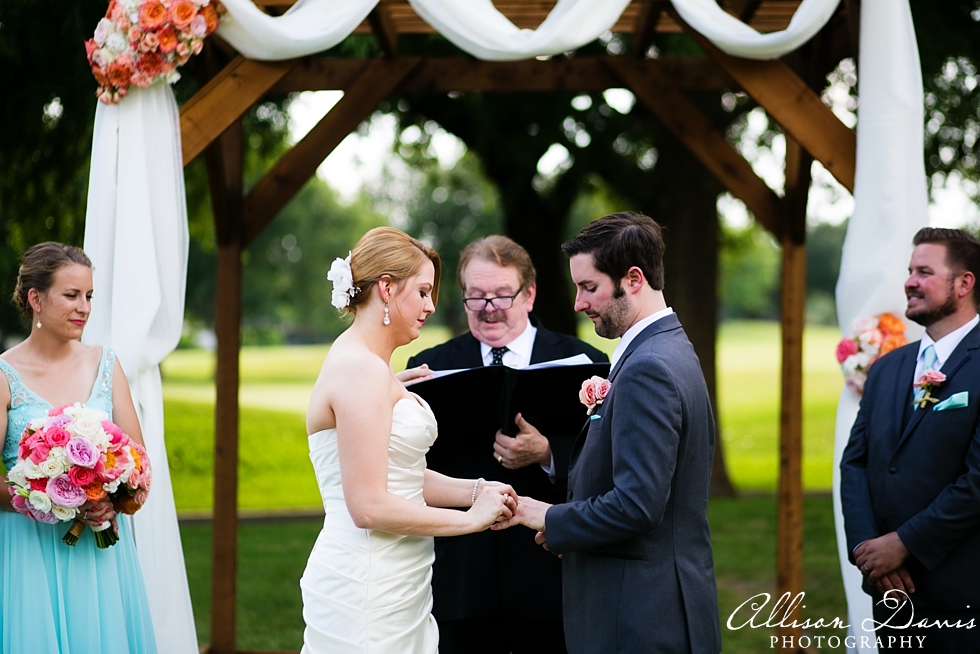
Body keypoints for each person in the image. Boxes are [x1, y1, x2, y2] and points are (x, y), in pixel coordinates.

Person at [494, 212, 722, 653]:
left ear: (633, 279)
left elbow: (637, 504)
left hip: (640, 616)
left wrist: (548, 516)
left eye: (589, 287)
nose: (579, 303)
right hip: (653, 602)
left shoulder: (649, 367)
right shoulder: (669, 347)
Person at [300, 227, 517, 654]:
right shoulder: (361, 370)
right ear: (386, 289)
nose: (430, 306)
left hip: (398, 578)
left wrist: (475, 490)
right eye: (421, 292)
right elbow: (368, 506)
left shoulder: (369, 368)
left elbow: (401, 475)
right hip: (367, 582)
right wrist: (472, 520)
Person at [404, 235, 606, 654]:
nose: (489, 308)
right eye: (475, 298)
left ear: (529, 294)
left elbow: (603, 457)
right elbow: (410, 463)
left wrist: (549, 452)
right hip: (461, 571)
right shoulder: (430, 366)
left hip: (547, 569)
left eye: (501, 295)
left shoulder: (581, 361)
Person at [0, 242, 157, 653]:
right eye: (71, 295)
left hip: (98, 553)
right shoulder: (4, 375)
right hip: (28, 552)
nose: (84, 307)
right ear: (36, 298)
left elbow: (137, 465)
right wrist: (47, 498)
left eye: (89, 296)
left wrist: (114, 500)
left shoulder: (106, 364)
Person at [840, 227, 980, 651]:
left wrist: (904, 545)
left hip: (962, 596)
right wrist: (871, 554)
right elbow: (855, 463)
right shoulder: (886, 369)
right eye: (909, 271)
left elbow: (977, 481)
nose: (909, 281)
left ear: (964, 283)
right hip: (893, 600)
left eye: (924, 271)